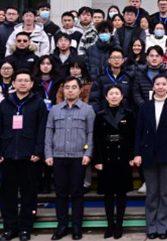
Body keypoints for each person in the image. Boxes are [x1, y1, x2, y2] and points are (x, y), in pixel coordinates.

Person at [0, 70, 49, 241]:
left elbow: (42, 129)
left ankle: (25, 228)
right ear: (13, 84)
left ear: (31, 84)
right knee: (7, 195)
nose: (23, 83)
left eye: (26, 81)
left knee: (29, 195)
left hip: (30, 156)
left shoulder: (38, 103)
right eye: (19, 80)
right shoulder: (5, 104)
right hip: (7, 155)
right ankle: (10, 228)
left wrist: (38, 151)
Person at [132, 74, 167, 240]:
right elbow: (138, 132)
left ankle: (163, 227)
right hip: (148, 154)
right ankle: (151, 226)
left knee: (165, 193)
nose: (160, 87)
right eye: (157, 84)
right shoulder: (145, 107)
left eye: (163, 84)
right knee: (152, 193)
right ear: (153, 87)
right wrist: (137, 153)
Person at [45, 77, 95, 241]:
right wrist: (48, 154)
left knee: (77, 193)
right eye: (67, 87)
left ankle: (76, 227)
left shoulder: (87, 110)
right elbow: (49, 132)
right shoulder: (55, 110)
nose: (70, 90)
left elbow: (91, 133)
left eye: (74, 87)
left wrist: (88, 153)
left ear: (80, 90)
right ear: (63, 90)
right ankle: (62, 226)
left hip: (78, 157)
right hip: (58, 156)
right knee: (60, 193)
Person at [93, 84, 137, 239]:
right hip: (106, 157)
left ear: (122, 96)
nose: (114, 96)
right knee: (108, 194)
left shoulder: (129, 114)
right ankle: (110, 224)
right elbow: (96, 139)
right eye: (111, 94)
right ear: (106, 97)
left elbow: (133, 137)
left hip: (123, 157)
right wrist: (98, 160)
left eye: (117, 93)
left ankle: (119, 225)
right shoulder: (100, 115)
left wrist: (132, 156)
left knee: (121, 193)